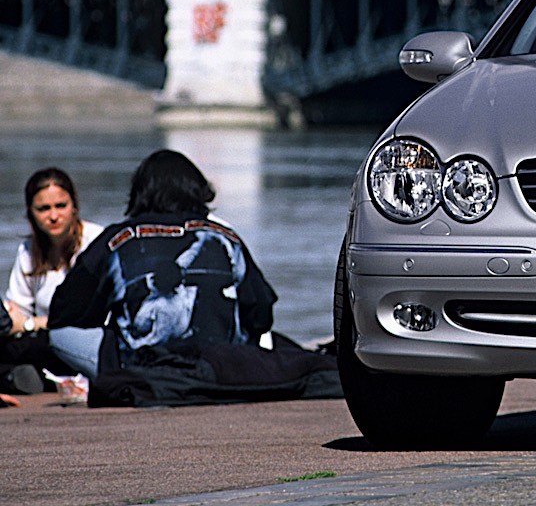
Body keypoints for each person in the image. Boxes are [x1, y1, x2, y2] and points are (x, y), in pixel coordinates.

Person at [48, 149, 338, 406]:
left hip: (142, 366)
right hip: (222, 365)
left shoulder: (118, 239)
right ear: (197, 190)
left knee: (58, 334)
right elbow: (261, 313)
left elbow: (65, 312)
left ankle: (119, 372)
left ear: (139, 192)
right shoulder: (224, 237)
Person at [2, 167, 102, 394]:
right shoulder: (28, 251)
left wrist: (33, 323)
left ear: (74, 205)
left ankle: (27, 378)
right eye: (43, 209)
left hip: (84, 336)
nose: (54, 216)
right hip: (43, 340)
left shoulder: (95, 242)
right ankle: (22, 377)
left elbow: (93, 315)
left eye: (61, 206)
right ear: (30, 212)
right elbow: (16, 309)